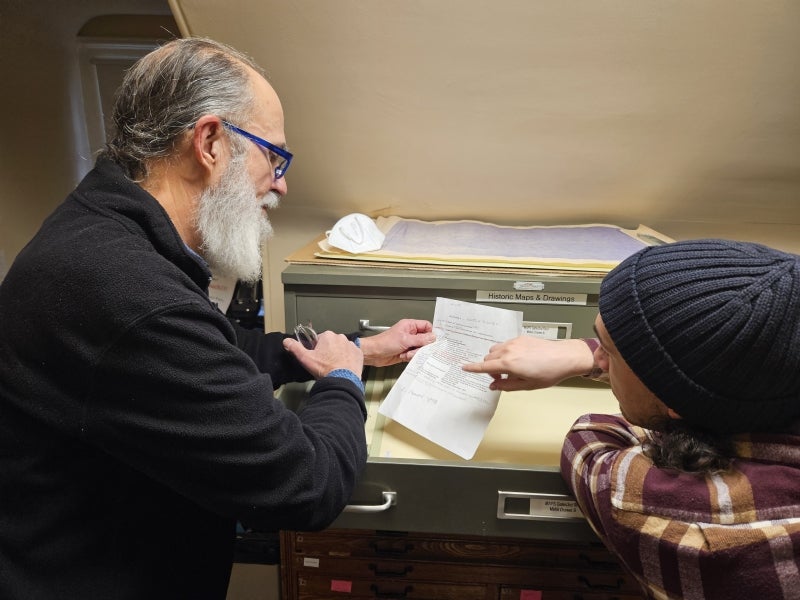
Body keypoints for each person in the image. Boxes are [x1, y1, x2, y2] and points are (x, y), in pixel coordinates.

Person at [0, 37, 434, 599]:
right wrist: (343, 380)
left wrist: (361, 348)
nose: (281, 183)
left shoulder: (106, 227)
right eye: (273, 156)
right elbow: (306, 484)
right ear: (209, 142)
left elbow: (210, 348)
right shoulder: (128, 293)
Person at [464, 239, 800, 600]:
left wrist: (587, 358)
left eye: (608, 350)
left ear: (676, 403)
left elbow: (591, 439)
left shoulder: (662, 501)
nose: (603, 359)